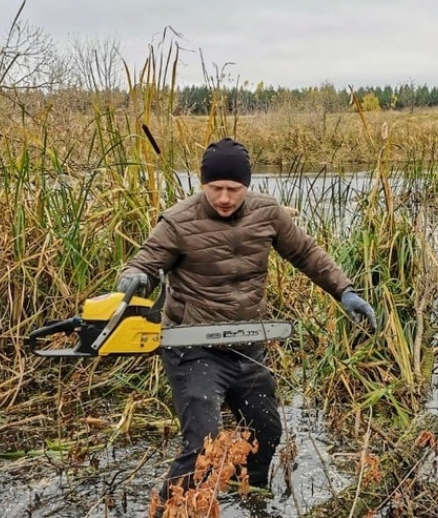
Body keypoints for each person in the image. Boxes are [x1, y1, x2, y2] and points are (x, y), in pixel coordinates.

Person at [116, 137, 377, 503]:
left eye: (233, 189)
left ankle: (250, 497)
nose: (224, 198)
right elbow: (142, 263)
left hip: (248, 345)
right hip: (192, 350)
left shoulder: (268, 213)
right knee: (202, 447)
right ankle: (169, 511)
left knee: (266, 431)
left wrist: (344, 290)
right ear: (202, 183)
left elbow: (306, 253)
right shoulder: (177, 222)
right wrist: (135, 278)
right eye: (216, 188)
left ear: (247, 186)